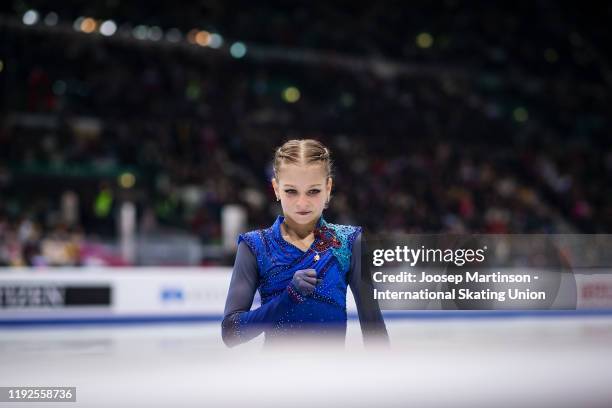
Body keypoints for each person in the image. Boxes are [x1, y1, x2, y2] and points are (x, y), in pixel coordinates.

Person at [221, 139, 389, 348]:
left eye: (313, 191)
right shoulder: (254, 245)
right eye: (291, 191)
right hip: (275, 377)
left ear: (328, 188)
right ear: (276, 188)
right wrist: (288, 298)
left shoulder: (349, 242)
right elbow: (230, 333)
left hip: (333, 377)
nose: (302, 203)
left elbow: (374, 327)